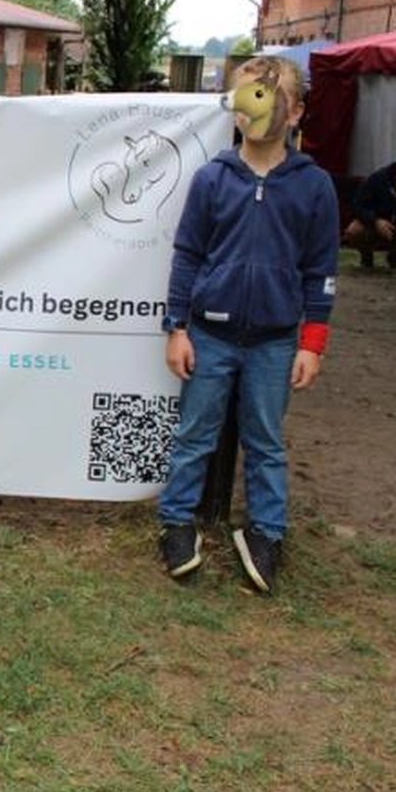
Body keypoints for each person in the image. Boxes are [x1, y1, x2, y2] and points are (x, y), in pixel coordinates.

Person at [156, 56, 339, 594]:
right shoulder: (213, 179)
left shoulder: (315, 187)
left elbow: (321, 268)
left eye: (270, 97)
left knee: (265, 441)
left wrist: (313, 343)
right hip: (209, 335)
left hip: (275, 342)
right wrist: (177, 327)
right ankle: (177, 522)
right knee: (195, 435)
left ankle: (266, 532)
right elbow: (187, 255)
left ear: (297, 110)